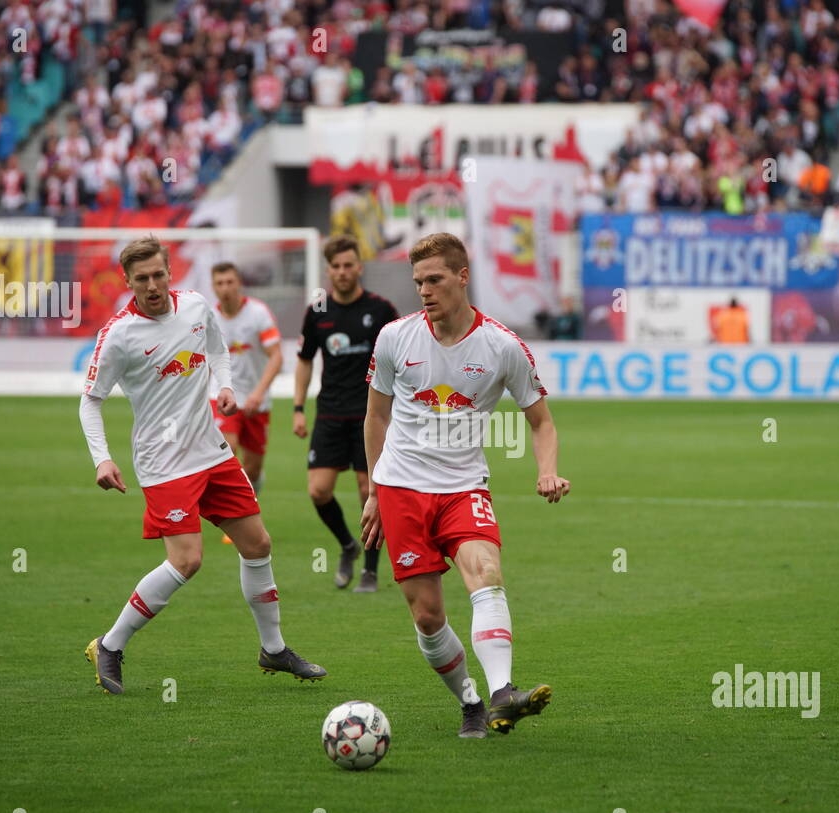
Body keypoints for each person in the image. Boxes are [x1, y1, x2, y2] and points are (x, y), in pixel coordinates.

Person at [79, 235, 326, 694]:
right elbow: (89, 402)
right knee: (188, 561)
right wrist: (103, 459)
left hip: (212, 452)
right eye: (141, 279)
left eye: (158, 275)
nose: (152, 286)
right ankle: (110, 645)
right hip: (164, 463)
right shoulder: (118, 334)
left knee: (257, 544)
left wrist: (225, 387)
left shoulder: (194, 306)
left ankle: (273, 649)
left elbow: (217, 349)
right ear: (127, 281)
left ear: (170, 273)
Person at [361, 232, 570, 739]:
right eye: (418, 282)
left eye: (434, 280)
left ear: (461, 276)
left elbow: (541, 421)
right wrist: (372, 490)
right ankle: (471, 701)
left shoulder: (502, 345)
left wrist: (546, 470)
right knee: (428, 617)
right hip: (401, 488)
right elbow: (375, 417)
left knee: (486, 572)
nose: (425, 291)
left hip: (463, 486)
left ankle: (503, 692)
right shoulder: (394, 337)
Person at [293, 235, 399, 593]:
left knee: (367, 489)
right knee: (318, 491)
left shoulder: (381, 310)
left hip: (371, 415)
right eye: (335, 266)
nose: (342, 272)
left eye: (348, 265)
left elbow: (402, 357)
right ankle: (347, 545)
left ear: (359, 267)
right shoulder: (318, 309)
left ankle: (369, 570)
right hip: (329, 414)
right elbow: (305, 360)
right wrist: (297, 408)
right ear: (328, 270)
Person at [208, 262, 283, 544]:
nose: (225, 289)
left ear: (239, 283)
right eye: (219, 283)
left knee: (252, 468)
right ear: (214, 287)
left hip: (257, 400)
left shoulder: (258, 314)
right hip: (222, 395)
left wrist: (258, 393)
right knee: (228, 448)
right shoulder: (207, 318)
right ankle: (234, 519)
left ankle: (249, 504)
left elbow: (276, 356)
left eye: (230, 282)